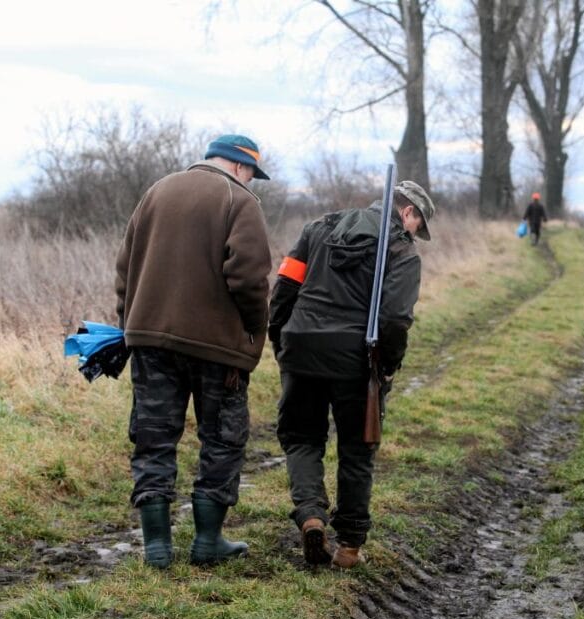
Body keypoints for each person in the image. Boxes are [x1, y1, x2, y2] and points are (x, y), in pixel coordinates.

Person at [115, 134, 273, 568]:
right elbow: (249, 279)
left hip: (149, 340)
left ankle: (157, 548)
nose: (251, 181)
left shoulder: (156, 192)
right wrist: (254, 328)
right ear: (242, 168)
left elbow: (125, 269)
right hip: (217, 348)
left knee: (153, 439)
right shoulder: (240, 202)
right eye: (251, 174)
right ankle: (207, 541)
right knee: (222, 438)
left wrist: (130, 322)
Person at [268, 180, 435, 569]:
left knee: (301, 438)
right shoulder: (401, 252)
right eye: (418, 225)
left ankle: (311, 515)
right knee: (357, 451)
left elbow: (284, 288)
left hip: (302, 348)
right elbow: (394, 319)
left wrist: (282, 339)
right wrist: (387, 366)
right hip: (356, 361)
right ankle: (349, 548)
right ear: (408, 212)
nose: (415, 234)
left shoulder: (318, 228)